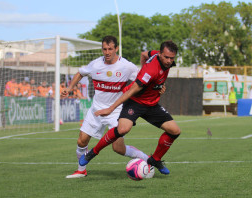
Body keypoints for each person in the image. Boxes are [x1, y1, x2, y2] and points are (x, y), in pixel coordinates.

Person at [79, 40, 181, 175]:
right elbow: (131, 91)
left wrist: (151, 79)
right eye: (166, 57)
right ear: (160, 54)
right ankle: (93, 152)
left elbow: (144, 54)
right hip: (135, 102)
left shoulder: (157, 55)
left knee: (175, 131)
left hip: (151, 104)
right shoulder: (150, 71)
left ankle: (155, 160)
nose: (169, 61)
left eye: (171, 58)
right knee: (122, 129)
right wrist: (110, 109)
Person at [62, 35, 156, 179]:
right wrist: (69, 88)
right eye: (104, 49)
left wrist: (158, 87)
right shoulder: (95, 64)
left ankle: (147, 159)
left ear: (116, 48)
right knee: (81, 140)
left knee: (118, 148)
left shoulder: (126, 66)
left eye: (110, 49)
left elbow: (144, 79)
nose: (107, 52)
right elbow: (80, 73)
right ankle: (81, 170)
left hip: (116, 111)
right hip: (96, 109)